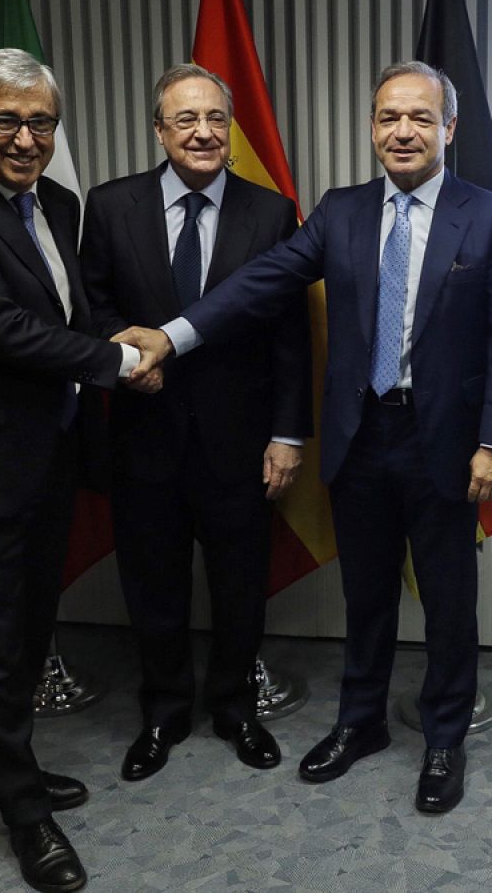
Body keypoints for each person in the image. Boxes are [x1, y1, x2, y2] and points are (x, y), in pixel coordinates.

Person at [116, 60, 492, 814]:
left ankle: (444, 738)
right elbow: (262, 281)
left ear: (449, 127)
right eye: (388, 117)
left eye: (419, 117)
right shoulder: (341, 212)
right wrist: (175, 335)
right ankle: (359, 721)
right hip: (358, 435)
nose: (402, 131)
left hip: (444, 441)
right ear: (372, 127)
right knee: (364, 594)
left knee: (448, 600)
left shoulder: (490, 216)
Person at [0, 48, 156, 893]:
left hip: (47, 453)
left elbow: (66, 312)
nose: (25, 139)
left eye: (41, 122)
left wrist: (114, 340)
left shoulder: (59, 202)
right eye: (5, 120)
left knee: (24, 631)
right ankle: (24, 816)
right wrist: (118, 362)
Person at [81, 63, 311, 781]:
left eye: (215, 118)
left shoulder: (270, 212)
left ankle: (236, 709)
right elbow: (90, 307)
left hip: (239, 442)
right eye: (186, 119)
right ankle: (163, 711)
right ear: (159, 130)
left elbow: (290, 335)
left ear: (230, 128)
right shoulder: (110, 205)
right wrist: (127, 360)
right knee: (153, 584)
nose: (204, 132)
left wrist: (287, 434)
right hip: (143, 432)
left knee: (240, 586)